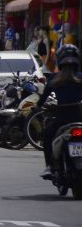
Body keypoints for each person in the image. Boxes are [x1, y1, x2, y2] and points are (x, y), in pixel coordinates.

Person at [37, 44, 82, 179]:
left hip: (62, 119)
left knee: (47, 135)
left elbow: (42, 100)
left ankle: (49, 166)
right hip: (79, 117)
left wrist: (38, 107)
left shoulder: (54, 79)